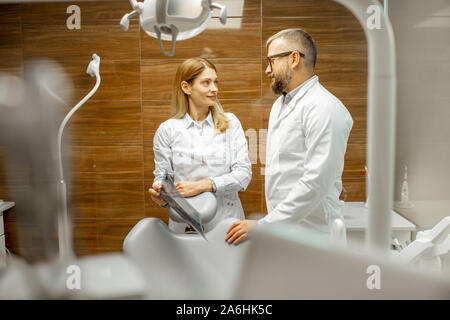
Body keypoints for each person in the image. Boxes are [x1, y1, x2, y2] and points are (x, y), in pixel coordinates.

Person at [226, 28, 353, 245]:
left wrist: (264, 225)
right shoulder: (281, 104)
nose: (267, 70)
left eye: (271, 61)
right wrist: (332, 181)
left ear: (294, 58)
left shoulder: (325, 108)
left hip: (314, 237)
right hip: (287, 230)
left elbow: (315, 182)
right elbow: (294, 164)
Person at [148, 57, 252, 233]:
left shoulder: (230, 123)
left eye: (215, 82)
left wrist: (204, 185)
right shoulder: (167, 130)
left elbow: (243, 175)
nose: (214, 89)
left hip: (228, 225)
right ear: (186, 87)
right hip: (185, 224)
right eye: (206, 83)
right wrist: (162, 194)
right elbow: (162, 177)